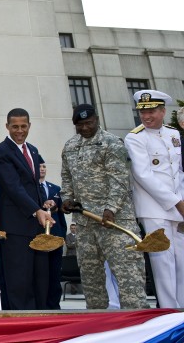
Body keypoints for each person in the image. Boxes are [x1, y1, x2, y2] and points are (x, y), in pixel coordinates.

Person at [61, 103, 148, 309]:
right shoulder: (70, 146)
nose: (85, 128)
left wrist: (110, 209)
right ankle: (98, 325)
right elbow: (67, 177)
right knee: (91, 278)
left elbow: (119, 179)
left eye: (88, 123)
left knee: (129, 276)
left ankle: (137, 325)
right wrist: (66, 198)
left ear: (97, 120)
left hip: (115, 222)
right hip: (85, 223)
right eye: (80, 125)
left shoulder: (112, 143)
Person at [125, 90, 184, 308]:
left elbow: (178, 172)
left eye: (151, 111)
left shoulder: (173, 134)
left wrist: (182, 201)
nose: (146, 116)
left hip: (179, 208)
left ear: (162, 111)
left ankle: (182, 311)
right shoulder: (135, 137)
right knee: (164, 264)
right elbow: (143, 175)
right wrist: (176, 202)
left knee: (181, 262)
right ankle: (169, 312)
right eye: (142, 112)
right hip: (154, 209)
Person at [0, 108, 53, 310]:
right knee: (19, 278)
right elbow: (13, 187)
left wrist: (44, 205)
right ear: (7, 126)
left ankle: (41, 316)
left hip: (37, 224)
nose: (19, 130)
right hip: (15, 225)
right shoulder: (1, 151)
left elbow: (34, 185)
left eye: (23, 126)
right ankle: (22, 319)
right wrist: (36, 210)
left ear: (29, 126)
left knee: (39, 276)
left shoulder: (33, 150)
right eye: (15, 126)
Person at [38, 157, 66, 310]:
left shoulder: (55, 188)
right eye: (39, 166)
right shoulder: (31, 188)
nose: (42, 169)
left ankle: (54, 305)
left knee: (55, 273)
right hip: (39, 237)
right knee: (41, 273)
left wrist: (62, 234)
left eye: (44, 166)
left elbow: (61, 214)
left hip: (55, 236)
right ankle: (41, 304)